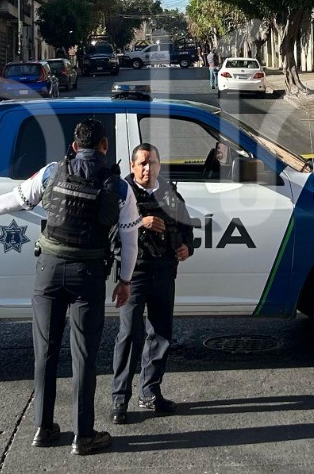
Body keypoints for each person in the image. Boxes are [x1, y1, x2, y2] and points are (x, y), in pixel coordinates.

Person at [0, 119, 139, 457]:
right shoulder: (119, 187)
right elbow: (130, 240)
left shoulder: (52, 172)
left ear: (75, 146)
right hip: (88, 276)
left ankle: (42, 428)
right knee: (84, 356)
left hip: (48, 272)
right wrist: (124, 281)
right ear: (105, 147)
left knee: (45, 350)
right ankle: (83, 435)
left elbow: (14, 200)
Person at [111, 143, 196, 424]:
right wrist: (139, 222)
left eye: (153, 163)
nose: (148, 168)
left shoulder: (170, 194)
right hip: (134, 276)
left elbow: (186, 230)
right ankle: (119, 399)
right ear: (133, 167)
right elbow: (108, 235)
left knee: (161, 334)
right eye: (143, 163)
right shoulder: (121, 194)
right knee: (129, 336)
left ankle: (150, 393)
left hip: (164, 273)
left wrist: (186, 247)